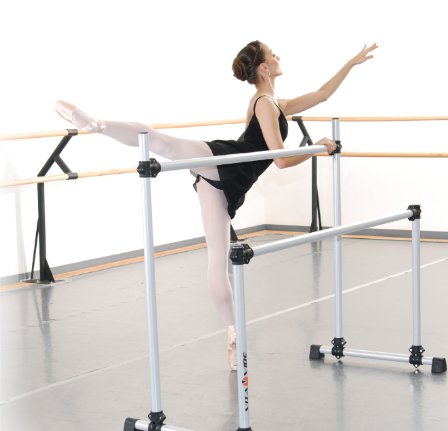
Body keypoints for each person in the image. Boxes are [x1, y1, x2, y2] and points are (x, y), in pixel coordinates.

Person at [55, 40, 377, 371]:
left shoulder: (278, 104)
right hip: (223, 162)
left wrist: (351, 63)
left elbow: (322, 94)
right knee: (163, 142)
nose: (278, 56)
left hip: (227, 184)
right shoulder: (265, 104)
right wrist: (317, 148)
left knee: (217, 261)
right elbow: (280, 159)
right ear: (264, 68)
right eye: (272, 54)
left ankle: (233, 334)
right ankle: (95, 125)